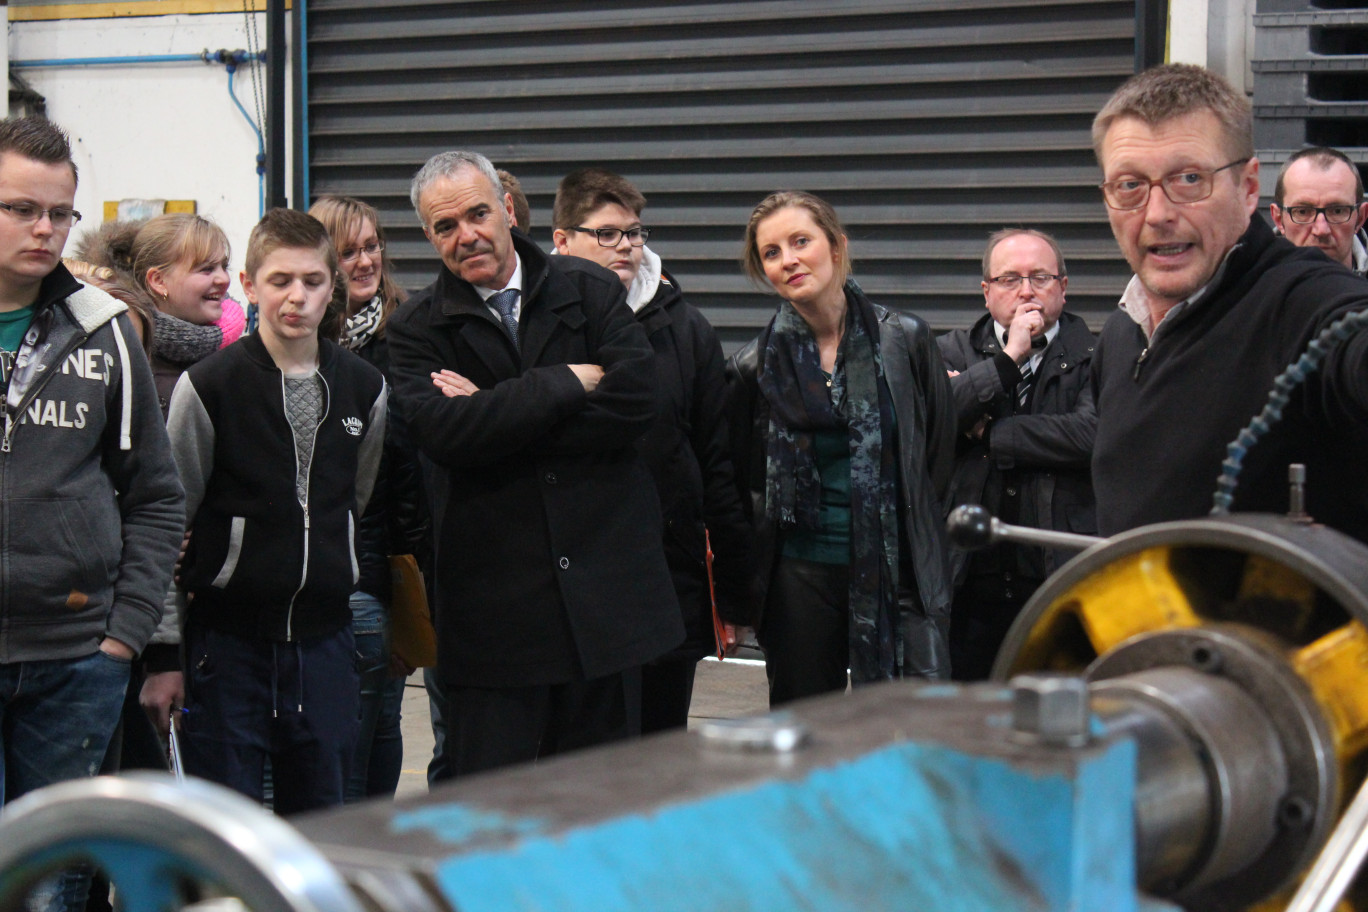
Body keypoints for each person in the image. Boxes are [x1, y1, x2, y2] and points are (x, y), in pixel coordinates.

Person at [386, 150, 682, 778]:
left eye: (477, 214)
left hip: (606, 606)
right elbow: (446, 434)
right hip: (498, 624)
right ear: (429, 237)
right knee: (497, 817)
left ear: (508, 210)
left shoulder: (590, 288)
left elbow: (636, 404)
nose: (466, 235)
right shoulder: (415, 330)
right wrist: (564, 384)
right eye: (445, 227)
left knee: (600, 814)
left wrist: (495, 413)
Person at [0, 116, 184, 911]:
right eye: (20, 209)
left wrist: (125, 635)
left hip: (75, 658)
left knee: (54, 887)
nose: (43, 229)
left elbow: (156, 495)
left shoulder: (104, 332)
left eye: (59, 213)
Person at [166, 208, 387, 813]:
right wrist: (165, 650)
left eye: (312, 282)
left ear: (331, 286)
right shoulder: (209, 388)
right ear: (249, 284)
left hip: (325, 646)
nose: (297, 297)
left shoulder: (366, 389)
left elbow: (353, 500)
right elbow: (167, 522)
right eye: (280, 281)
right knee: (227, 831)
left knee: (318, 828)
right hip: (228, 648)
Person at [1090, 64, 1368, 542]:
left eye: (1190, 179)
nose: (1157, 215)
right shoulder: (1120, 334)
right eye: (1130, 186)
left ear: (1249, 187)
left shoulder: (1300, 302)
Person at [726, 190, 955, 704]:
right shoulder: (751, 367)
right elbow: (747, 483)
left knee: (907, 728)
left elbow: (934, 458)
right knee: (807, 734)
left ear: (836, 247)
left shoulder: (907, 340)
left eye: (800, 241)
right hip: (799, 577)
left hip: (898, 571)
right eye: (772, 252)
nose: (789, 260)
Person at [551, 167, 749, 732]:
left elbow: (716, 462)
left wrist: (733, 591)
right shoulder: (541, 325)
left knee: (662, 748)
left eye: (634, 233)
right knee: (586, 757)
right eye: (607, 234)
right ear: (563, 240)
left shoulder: (687, 330)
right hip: (577, 586)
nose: (627, 248)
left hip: (667, 581)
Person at [936, 229, 1096, 680]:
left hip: (1056, 579)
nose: (1026, 291)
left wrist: (990, 434)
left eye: (1040, 277)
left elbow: (1091, 435)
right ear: (986, 293)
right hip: (968, 580)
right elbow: (934, 423)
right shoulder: (950, 351)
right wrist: (1009, 358)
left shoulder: (1094, 357)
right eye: (1009, 280)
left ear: (1063, 288)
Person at [310, 194, 428, 802]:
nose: (365, 261)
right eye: (348, 250)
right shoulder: (301, 343)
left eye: (372, 244)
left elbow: (409, 471)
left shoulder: (405, 332)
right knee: (354, 735)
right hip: (322, 571)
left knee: (378, 727)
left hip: (378, 571)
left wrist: (403, 585)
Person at [1269, 146, 1367, 276]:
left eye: (1337, 211)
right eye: (1303, 212)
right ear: (1278, 219)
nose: (1321, 230)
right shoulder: (1244, 287)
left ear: (1360, 218)